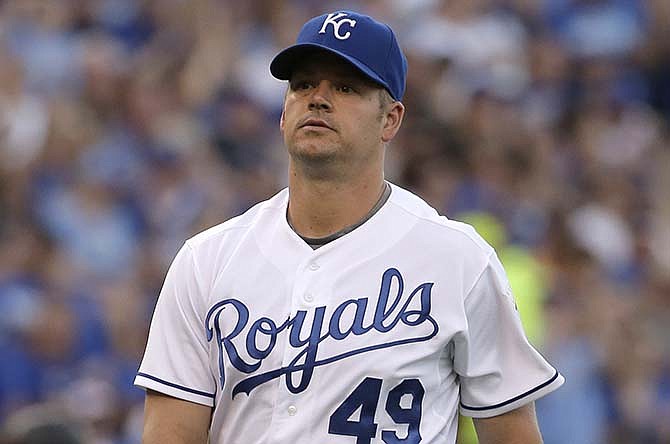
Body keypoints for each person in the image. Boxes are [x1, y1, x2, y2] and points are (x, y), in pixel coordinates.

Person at [134, 10, 564, 444]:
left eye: (345, 87)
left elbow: (512, 434)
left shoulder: (457, 259)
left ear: (390, 119)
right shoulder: (206, 260)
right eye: (303, 85)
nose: (318, 99)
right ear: (283, 113)